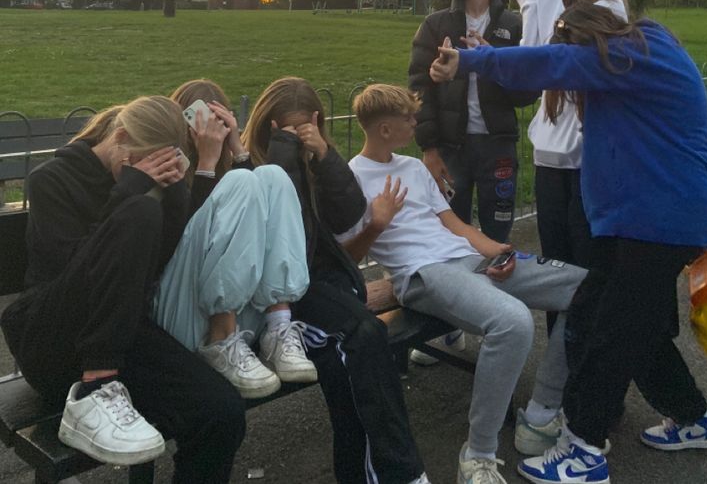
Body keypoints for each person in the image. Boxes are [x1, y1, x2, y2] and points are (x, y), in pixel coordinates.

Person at [430, 4, 707, 484]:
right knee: (626, 322)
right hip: (647, 218)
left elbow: (554, 63)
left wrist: (471, 62)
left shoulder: (632, 52)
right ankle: (695, 417)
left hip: (660, 219)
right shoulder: (636, 57)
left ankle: (584, 450)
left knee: (611, 333)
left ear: (589, 39)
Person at [341, 84, 587, 484]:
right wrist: (378, 223)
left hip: (468, 259)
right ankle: (478, 454)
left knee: (585, 289)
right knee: (513, 321)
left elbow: (453, 223)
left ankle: (541, 413)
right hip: (424, 273)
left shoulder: (414, 168)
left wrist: (498, 251)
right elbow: (345, 258)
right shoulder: (353, 180)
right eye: (408, 119)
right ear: (385, 129)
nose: (416, 124)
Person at [0, 96, 245, 481]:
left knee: (222, 411)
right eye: (136, 162)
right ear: (119, 136)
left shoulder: (149, 184)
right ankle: (95, 388)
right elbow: (73, 274)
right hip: (50, 339)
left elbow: (161, 268)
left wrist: (176, 194)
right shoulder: (52, 180)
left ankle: (106, 382)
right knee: (140, 211)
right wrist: (129, 193)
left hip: (121, 335)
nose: (141, 171)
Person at [243, 76, 430, 484]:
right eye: (286, 132)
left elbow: (348, 217)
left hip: (321, 287)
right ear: (269, 127)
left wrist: (324, 157)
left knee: (359, 355)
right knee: (359, 344)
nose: (296, 139)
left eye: (303, 129)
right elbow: (277, 245)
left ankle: (389, 473)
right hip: (276, 297)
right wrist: (283, 159)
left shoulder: (323, 163)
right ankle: (399, 473)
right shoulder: (250, 168)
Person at [154, 78, 316, 398]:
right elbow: (170, 243)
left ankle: (278, 329)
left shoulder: (235, 172)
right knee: (244, 181)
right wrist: (205, 165)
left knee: (270, 175)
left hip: (241, 321)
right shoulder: (165, 167)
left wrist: (238, 150)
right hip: (178, 320)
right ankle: (220, 339)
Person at [408, 0, 536, 242]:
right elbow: (418, 87)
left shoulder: (514, 25)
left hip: (498, 147)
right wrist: (429, 149)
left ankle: (497, 281)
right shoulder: (435, 24)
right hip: (451, 149)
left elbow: (528, 94)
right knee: (452, 232)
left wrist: (497, 62)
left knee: (498, 230)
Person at [512, 0, 627, 272]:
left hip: (587, 157)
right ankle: (560, 325)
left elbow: (563, 55)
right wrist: (530, 3)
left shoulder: (607, 0)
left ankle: (587, 323)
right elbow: (533, 65)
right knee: (556, 260)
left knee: (588, 256)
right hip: (549, 156)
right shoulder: (547, 2)